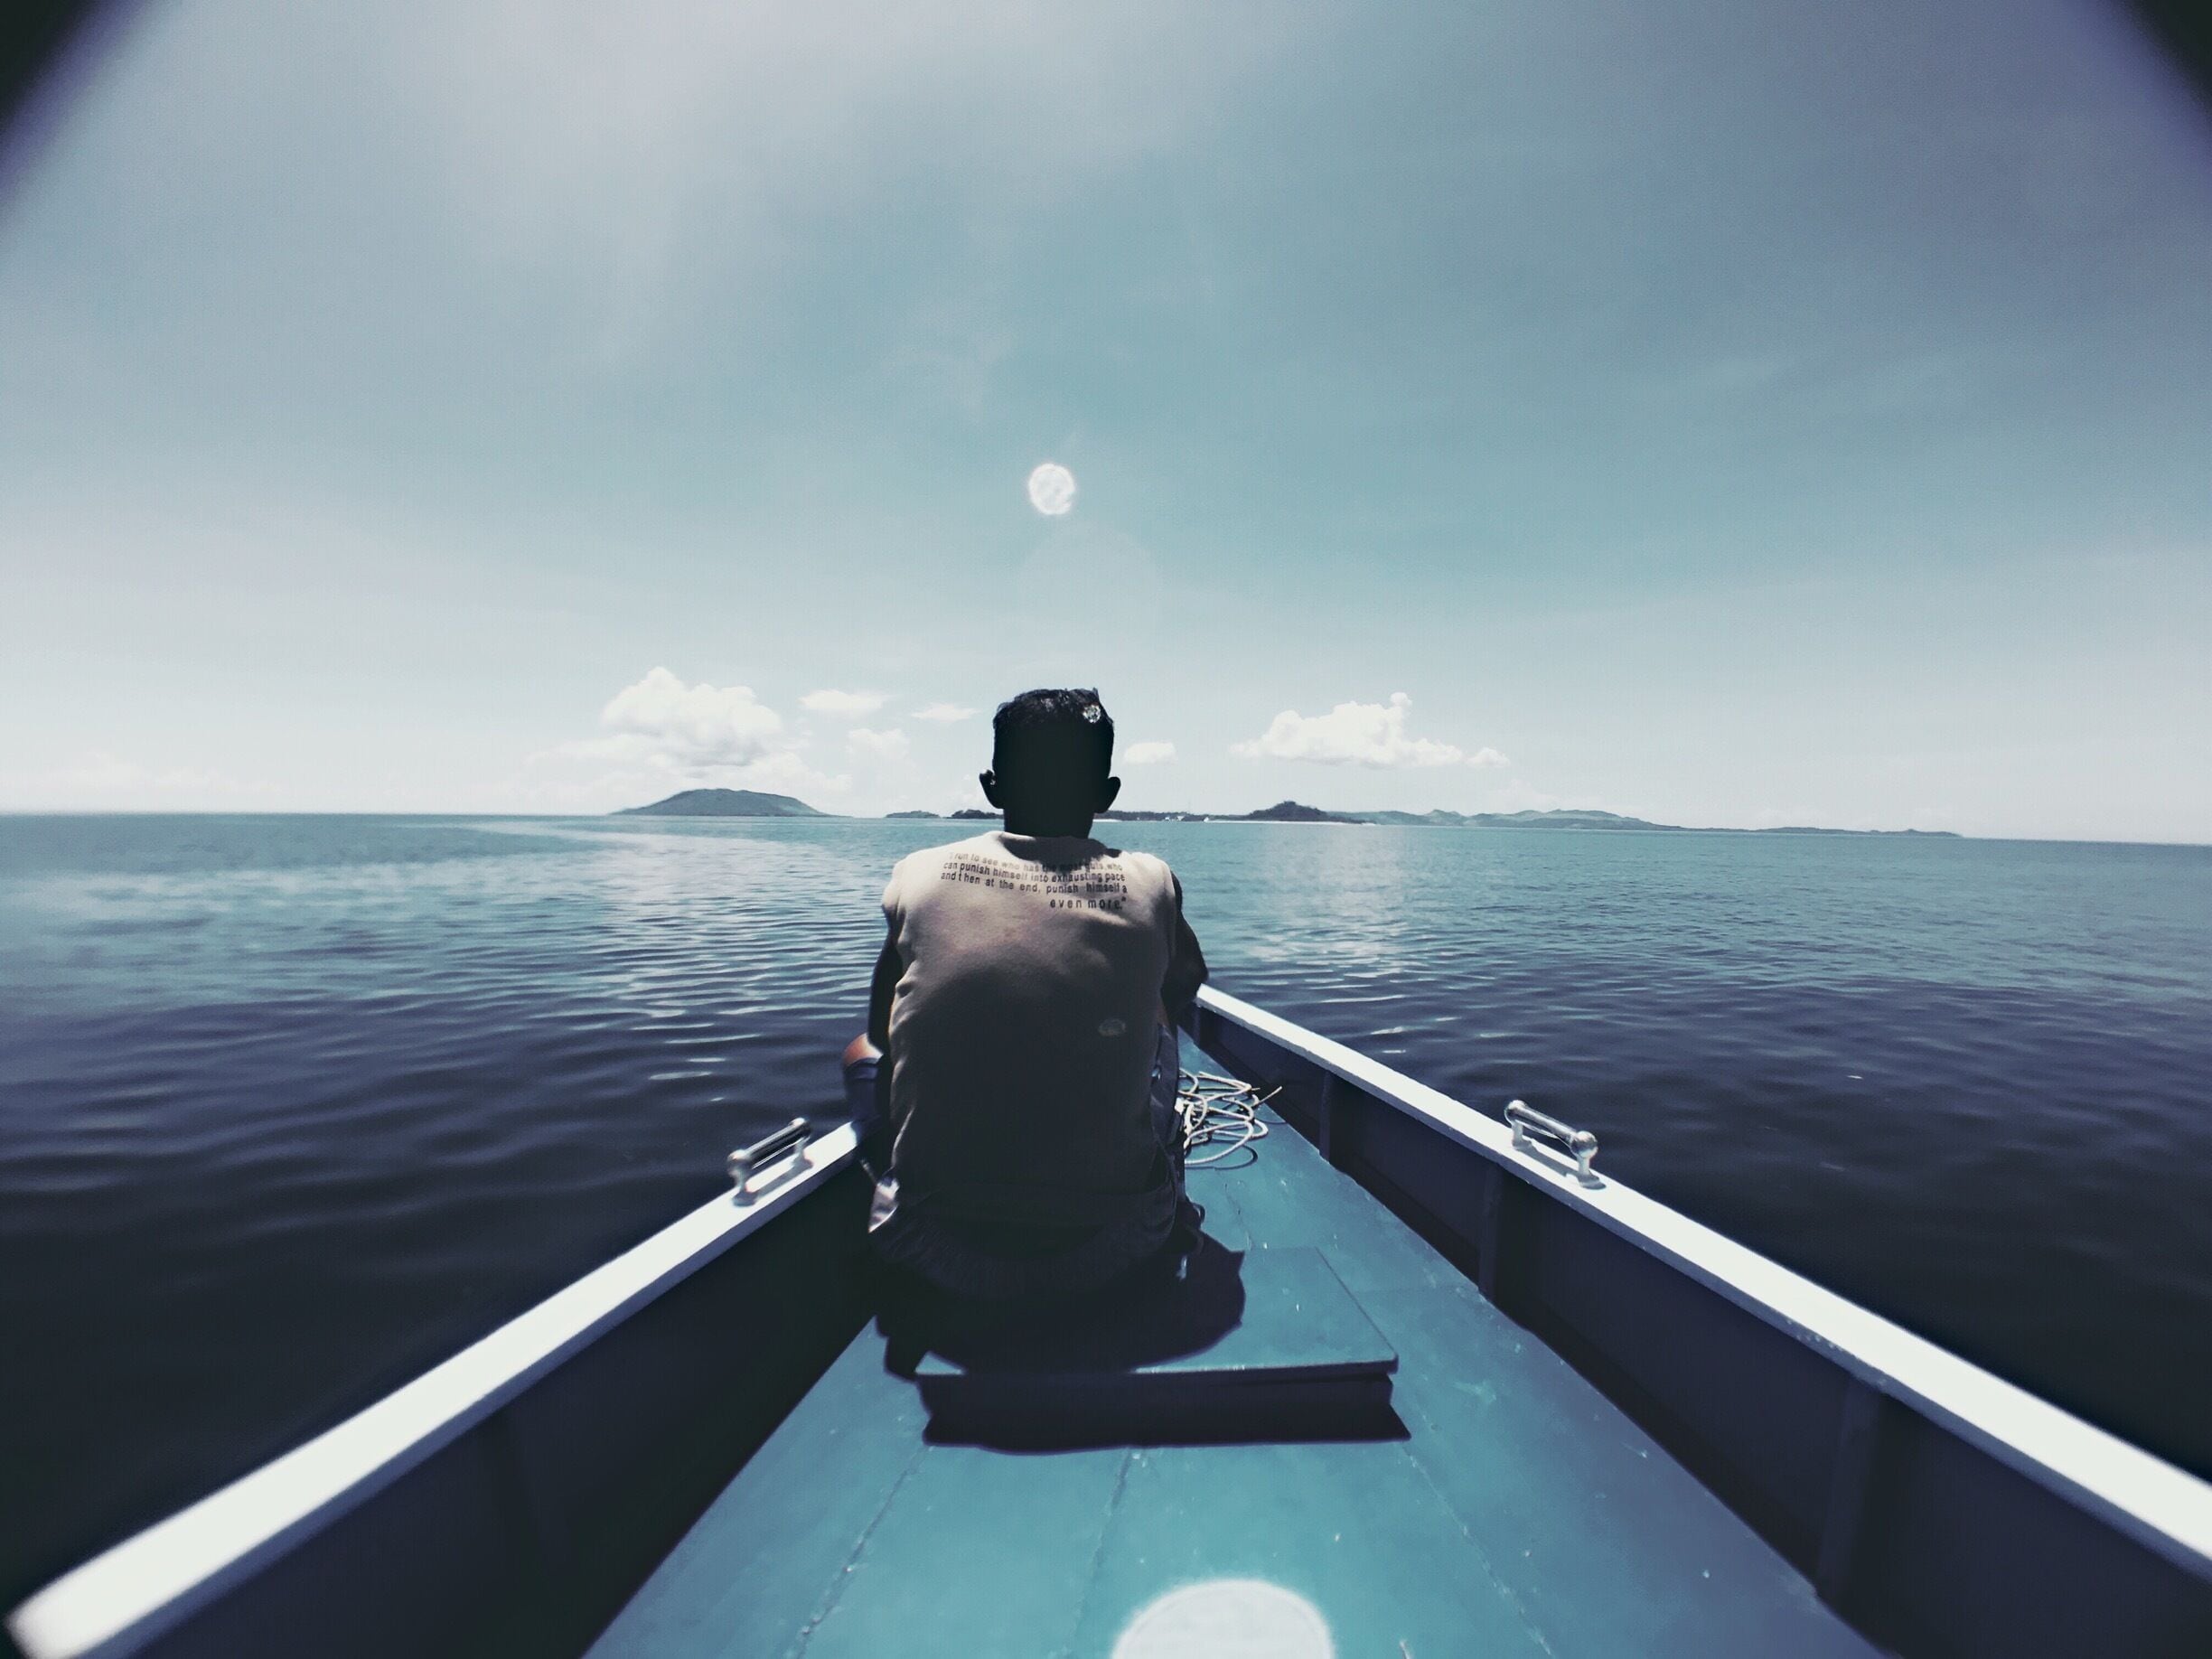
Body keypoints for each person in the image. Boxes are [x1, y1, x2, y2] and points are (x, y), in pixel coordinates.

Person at [841, 687, 1208, 1300]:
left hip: (929, 1243)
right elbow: (1183, 990)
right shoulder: (1152, 881)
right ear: (1108, 795)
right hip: (1118, 1241)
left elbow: (880, 1035)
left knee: (858, 1052)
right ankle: (1165, 1180)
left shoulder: (919, 874)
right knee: (1160, 1025)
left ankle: (890, 1179)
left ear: (991, 786)